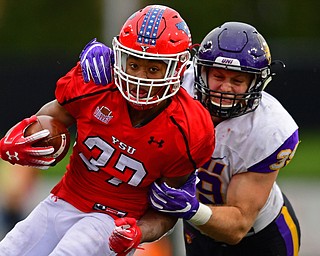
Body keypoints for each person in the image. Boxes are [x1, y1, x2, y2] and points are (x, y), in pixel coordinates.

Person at [0, 5, 215, 255]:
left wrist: (139, 233)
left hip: (114, 222)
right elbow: (52, 116)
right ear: (121, 57)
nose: (140, 78)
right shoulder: (98, 80)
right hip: (64, 201)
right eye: (134, 65)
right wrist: (23, 136)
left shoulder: (189, 128)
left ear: (177, 68)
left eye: (153, 69)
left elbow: (166, 211)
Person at [82, 21, 301, 256]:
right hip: (197, 228)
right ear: (200, 70)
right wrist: (108, 60)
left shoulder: (270, 127)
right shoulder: (177, 85)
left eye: (237, 81)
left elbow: (239, 224)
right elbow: (136, 75)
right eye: (218, 75)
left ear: (256, 83)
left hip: (261, 236)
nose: (225, 88)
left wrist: (192, 209)